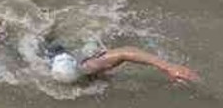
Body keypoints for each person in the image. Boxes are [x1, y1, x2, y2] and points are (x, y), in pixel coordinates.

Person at [42, 44, 199, 85]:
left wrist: (167, 66)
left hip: (61, 54)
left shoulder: (86, 67)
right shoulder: (41, 72)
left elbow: (126, 52)